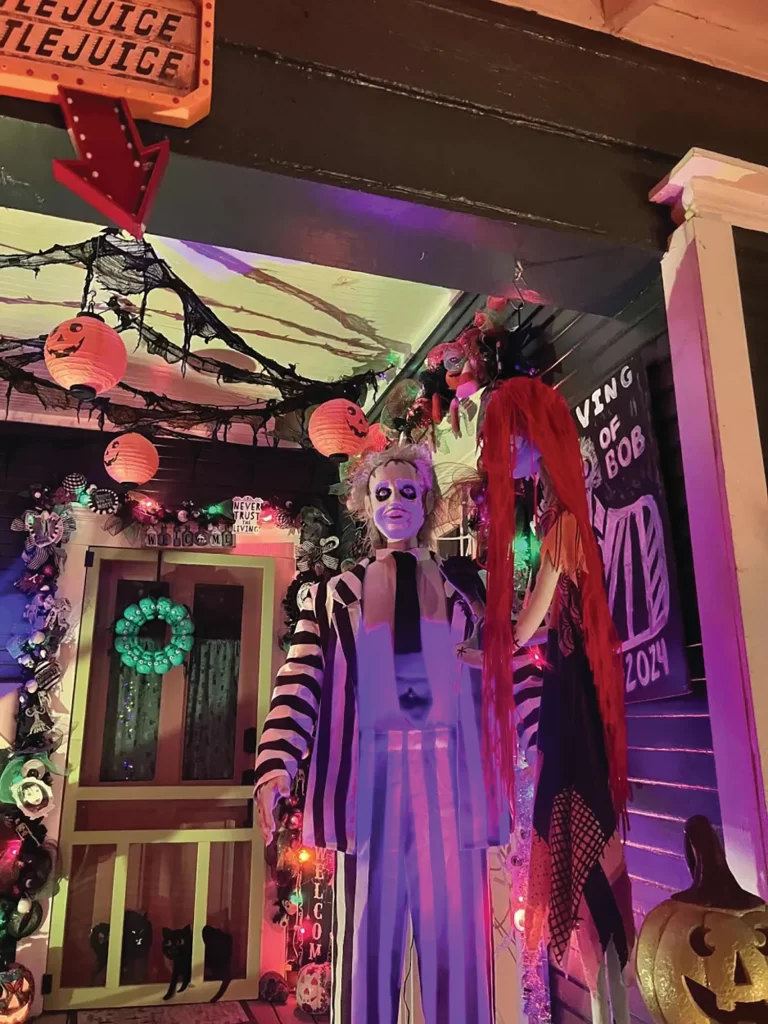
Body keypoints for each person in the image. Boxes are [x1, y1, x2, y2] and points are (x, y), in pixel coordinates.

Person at [254, 443, 507, 1024]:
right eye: (383, 492)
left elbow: (508, 667)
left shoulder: (467, 588)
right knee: (367, 949)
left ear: (428, 502)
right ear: (365, 505)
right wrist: (276, 765)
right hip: (370, 786)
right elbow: (300, 679)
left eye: (409, 491)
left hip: (452, 782)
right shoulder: (333, 595)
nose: (396, 501)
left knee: (459, 952)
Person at [464, 377, 635, 1024]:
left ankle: (613, 993)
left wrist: (500, 646)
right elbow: (547, 617)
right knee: (572, 829)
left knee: (577, 824)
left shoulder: (563, 517)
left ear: (534, 437)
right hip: (569, 687)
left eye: (508, 441)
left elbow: (539, 609)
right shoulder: (555, 511)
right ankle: (606, 994)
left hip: (576, 701)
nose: (501, 455)